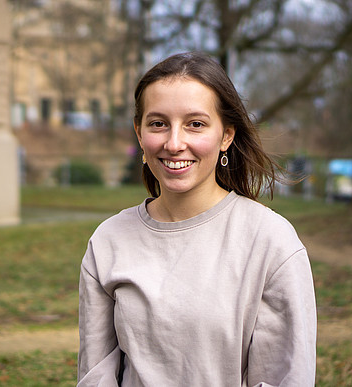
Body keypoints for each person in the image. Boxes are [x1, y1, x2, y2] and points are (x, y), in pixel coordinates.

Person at [77, 52, 317, 386]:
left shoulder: (271, 242)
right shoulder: (108, 241)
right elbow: (95, 375)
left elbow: (283, 378)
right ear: (139, 133)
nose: (174, 143)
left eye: (196, 124)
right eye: (158, 123)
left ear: (226, 136)